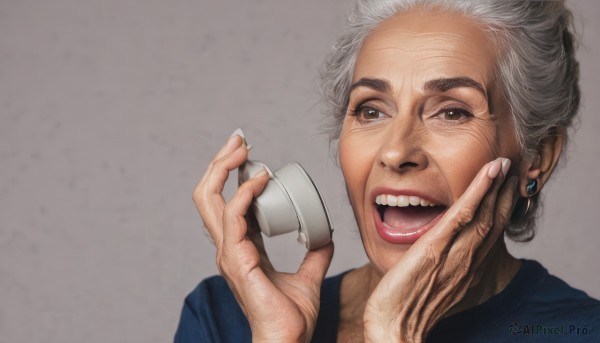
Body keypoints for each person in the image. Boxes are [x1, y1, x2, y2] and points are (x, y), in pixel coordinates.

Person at [176, 0, 600, 341]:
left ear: (536, 157)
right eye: (371, 110)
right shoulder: (227, 319)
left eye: (451, 112)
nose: (396, 152)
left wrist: (393, 333)